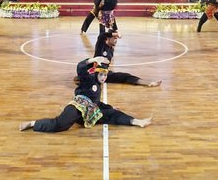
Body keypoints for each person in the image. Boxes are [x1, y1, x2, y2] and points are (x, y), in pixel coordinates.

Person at [19, 56, 153, 133]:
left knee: (113, 114)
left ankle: (136, 121)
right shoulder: (88, 79)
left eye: (105, 75)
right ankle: (32, 123)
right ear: (95, 73)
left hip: (90, 112)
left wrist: (110, 107)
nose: (103, 78)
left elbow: (97, 103)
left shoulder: (99, 86)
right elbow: (80, 67)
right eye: (101, 74)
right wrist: (92, 59)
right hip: (78, 107)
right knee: (60, 125)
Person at [90, 29, 162, 87]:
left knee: (125, 76)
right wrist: (116, 34)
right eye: (114, 38)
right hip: (96, 73)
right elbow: (102, 35)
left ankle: (147, 82)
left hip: (105, 73)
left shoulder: (111, 50)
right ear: (108, 38)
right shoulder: (101, 45)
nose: (116, 40)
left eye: (117, 39)